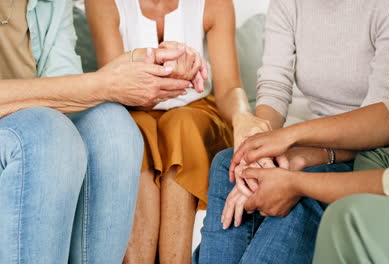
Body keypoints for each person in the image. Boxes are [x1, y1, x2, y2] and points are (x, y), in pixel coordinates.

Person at [194, 0, 389, 263]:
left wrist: (304, 156)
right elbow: (274, 84)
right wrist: (259, 153)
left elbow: (381, 122)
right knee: (230, 164)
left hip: (377, 148)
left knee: (300, 187)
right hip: (314, 135)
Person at [230, 13, 389, 264]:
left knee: (346, 218)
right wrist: (286, 137)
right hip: (376, 152)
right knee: (230, 163)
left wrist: (297, 181)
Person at [0, 0, 206, 263]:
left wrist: (145, 66)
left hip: (36, 119)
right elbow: (85, 89)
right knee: (47, 135)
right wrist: (104, 83)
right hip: (29, 131)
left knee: (113, 124)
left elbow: (65, 82)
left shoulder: (50, 3)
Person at [85, 0, 263, 263]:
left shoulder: (215, 4)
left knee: (182, 125)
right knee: (132, 130)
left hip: (195, 112)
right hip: (132, 109)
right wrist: (166, 73)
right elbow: (114, 87)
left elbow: (228, 87)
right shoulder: (103, 3)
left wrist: (243, 117)